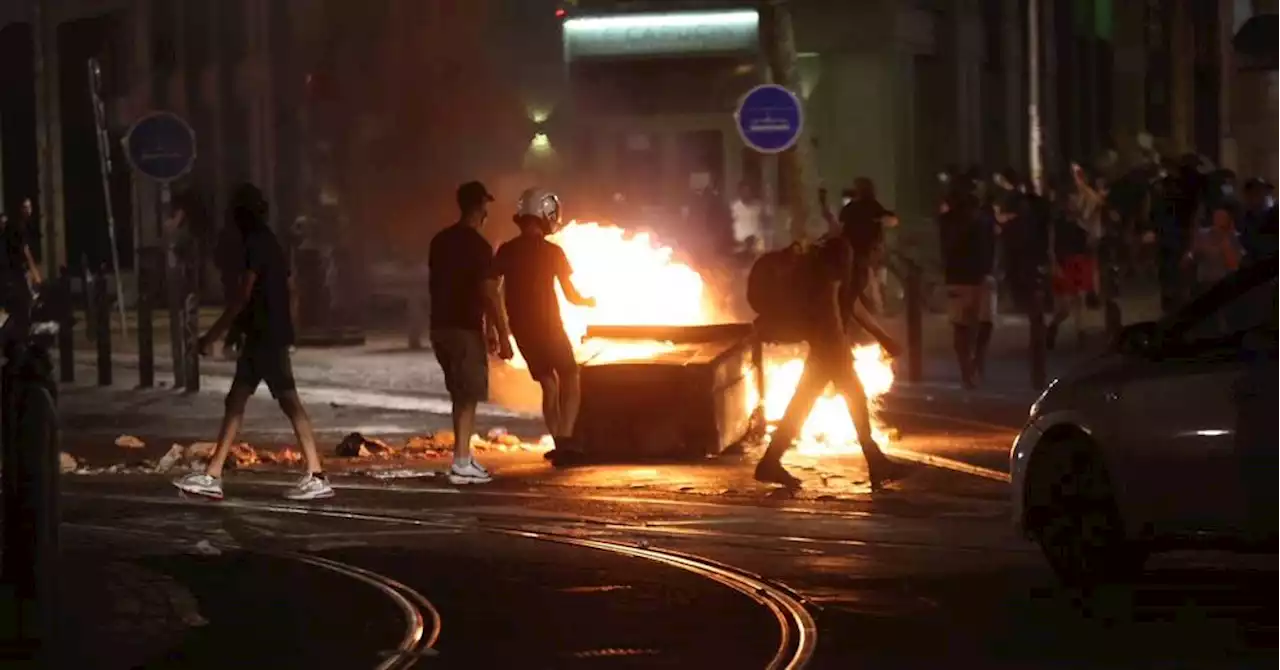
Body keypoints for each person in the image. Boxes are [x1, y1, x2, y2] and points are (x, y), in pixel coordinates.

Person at [172, 184, 332, 501]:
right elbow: (288, 289)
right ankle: (213, 474)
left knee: (286, 402)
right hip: (265, 335)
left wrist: (214, 334)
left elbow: (244, 295)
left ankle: (315, 474)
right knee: (237, 401)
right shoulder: (269, 242)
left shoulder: (255, 244)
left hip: (265, 337)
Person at [754, 237, 903, 489]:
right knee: (852, 396)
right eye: (878, 244)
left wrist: (883, 337)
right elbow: (829, 300)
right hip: (828, 341)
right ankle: (876, 461)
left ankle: (770, 462)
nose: (881, 251)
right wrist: (838, 344)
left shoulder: (849, 260)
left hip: (826, 341)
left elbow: (850, 302)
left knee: (806, 402)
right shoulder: (842, 251)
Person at [486, 188, 596, 467]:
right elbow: (571, 295)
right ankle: (567, 438)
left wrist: (496, 330)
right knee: (570, 375)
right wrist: (589, 301)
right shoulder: (553, 252)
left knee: (548, 383)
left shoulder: (507, 251)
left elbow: (491, 290)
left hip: (523, 330)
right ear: (546, 214)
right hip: (550, 326)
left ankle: (559, 442)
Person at [429, 181, 511, 485]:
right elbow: (489, 292)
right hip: (464, 328)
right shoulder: (478, 246)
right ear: (479, 208)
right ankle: (462, 463)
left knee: (459, 393)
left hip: (440, 327)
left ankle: (463, 456)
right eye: (485, 207)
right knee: (468, 396)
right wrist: (501, 334)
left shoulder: (439, 241)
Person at [938, 175, 998, 387]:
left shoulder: (948, 221)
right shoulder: (981, 219)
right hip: (977, 277)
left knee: (963, 326)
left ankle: (968, 368)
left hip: (960, 277)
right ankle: (974, 364)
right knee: (982, 323)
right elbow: (990, 246)